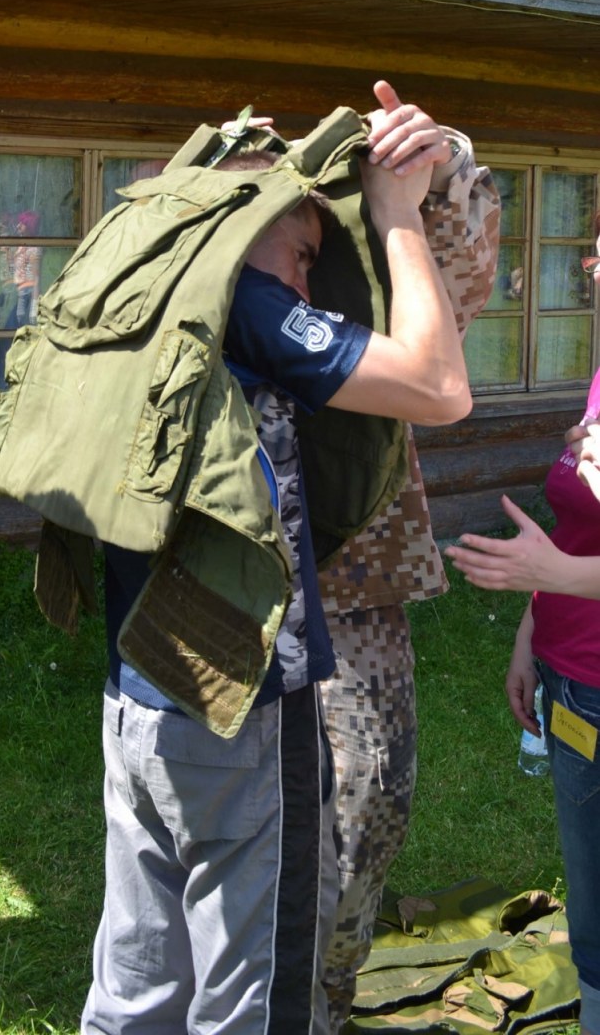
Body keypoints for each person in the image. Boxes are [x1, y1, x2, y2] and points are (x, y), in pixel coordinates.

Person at [82, 81, 473, 1035]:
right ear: (245, 221)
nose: (305, 281)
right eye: (301, 253)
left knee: (138, 983)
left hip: (140, 691)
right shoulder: (248, 304)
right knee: (255, 995)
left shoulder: (136, 291)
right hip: (242, 704)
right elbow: (439, 387)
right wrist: (394, 213)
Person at [318, 116, 499, 1032]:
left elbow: (463, 282)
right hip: (228, 588)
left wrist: (441, 159)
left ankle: (326, 987)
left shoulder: (377, 265)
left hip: (355, 583)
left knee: (369, 793)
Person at [447, 217, 600, 1035]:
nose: (593, 265)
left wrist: (550, 577)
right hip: (573, 681)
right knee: (596, 922)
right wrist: (530, 634)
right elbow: (578, 528)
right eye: (596, 247)